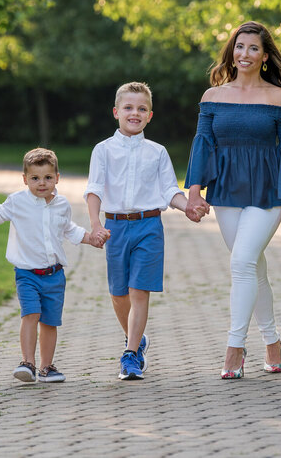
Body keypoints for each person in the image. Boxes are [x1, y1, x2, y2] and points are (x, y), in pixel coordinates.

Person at [185, 21, 281, 379]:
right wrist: (194, 189)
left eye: (253, 48)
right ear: (232, 51)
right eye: (239, 47)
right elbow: (203, 144)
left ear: (264, 56)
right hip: (227, 190)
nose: (245, 54)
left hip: (269, 190)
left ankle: (234, 348)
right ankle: (272, 342)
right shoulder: (212, 97)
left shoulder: (278, 98)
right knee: (253, 268)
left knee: (241, 262)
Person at [85, 81, 206, 381]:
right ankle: (137, 340)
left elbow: (169, 190)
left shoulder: (157, 152)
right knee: (118, 294)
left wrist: (187, 207)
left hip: (149, 226)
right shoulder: (103, 150)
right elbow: (94, 190)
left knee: (139, 291)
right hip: (114, 227)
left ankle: (130, 355)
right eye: (128, 108)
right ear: (116, 112)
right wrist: (95, 224)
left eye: (142, 108)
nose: (134, 113)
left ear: (150, 115)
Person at [0, 148, 106, 383]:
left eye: (47, 178)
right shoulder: (17, 202)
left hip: (54, 275)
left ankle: (46, 367)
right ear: (25, 179)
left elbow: (69, 229)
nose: (41, 183)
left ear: (57, 178)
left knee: (50, 322)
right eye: (35, 178)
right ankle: (27, 363)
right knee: (31, 314)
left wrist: (91, 238)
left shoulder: (62, 204)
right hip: (27, 274)